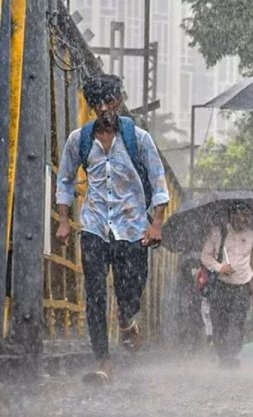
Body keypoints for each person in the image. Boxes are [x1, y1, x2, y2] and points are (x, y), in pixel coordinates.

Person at [55, 74, 169, 385]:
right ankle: (103, 362)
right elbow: (65, 179)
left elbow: (159, 183)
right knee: (94, 294)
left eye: (109, 101)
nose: (104, 108)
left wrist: (156, 224)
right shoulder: (79, 140)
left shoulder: (139, 140)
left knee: (129, 292)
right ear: (91, 106)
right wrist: (65, 220)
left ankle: (127, 317)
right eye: (97, 103)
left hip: (132, 228)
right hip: (94, 226)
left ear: (118, 101)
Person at [201, 203, 253, 368]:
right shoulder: (218, 232)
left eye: (246, 216)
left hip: (242, 286)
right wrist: (220, 267)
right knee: (219, 322)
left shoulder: (251, 235)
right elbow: (205, 257)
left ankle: (231, 355)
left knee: (238, 321)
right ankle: (223, 356)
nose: (243, 219)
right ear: (232, 215)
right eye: (240, 215)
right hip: (221, 285)